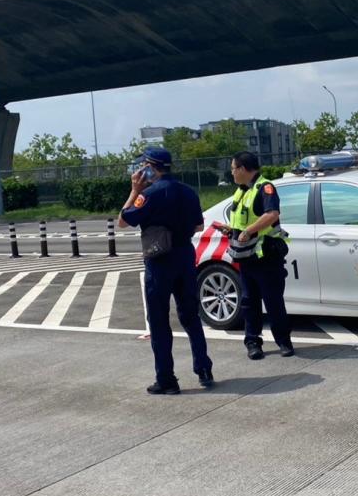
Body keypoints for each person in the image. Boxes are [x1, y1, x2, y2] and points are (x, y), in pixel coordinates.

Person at [118, 146, 214, 395]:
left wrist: (134, 190)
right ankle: (204, 369)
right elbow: (198, 225)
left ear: (150, 167)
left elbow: (123, 220)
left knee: (159, 321)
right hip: (184, 256)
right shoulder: (188, 192)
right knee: (191, 316)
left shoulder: (149, 194)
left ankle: (167, 379)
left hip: (159, 260)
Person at [214, 151, 294, 360]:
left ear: (242, 169)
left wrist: (248, 231)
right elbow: (241, 222)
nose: (231, 173)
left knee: (273, 300)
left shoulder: (265, 188)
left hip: (266, 255)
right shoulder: (241, 192)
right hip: (246, 256)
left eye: (233, 168)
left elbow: (272, 214)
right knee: (249, 302)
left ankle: (283, 341)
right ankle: (253, 343)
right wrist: (231, 230)